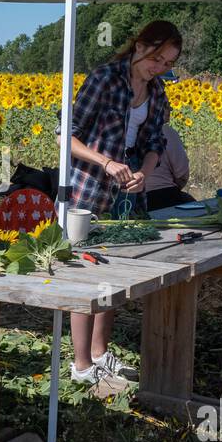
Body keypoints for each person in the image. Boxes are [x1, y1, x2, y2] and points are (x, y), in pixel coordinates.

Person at [65, 20, 180, 391]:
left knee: (112, 275)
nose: (159, 67)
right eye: (156, 57)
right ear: (140, 45)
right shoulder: (104, 78)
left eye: (167, 63)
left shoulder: (158, 92)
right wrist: (106, 162)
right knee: (83, 274)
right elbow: (66, 135)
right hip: (87, 189)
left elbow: (155, 144)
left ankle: (100, 353)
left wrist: (144, 173)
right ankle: (81, 365)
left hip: (128, 195)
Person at [143, 123, 195, 214]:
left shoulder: (117, 129)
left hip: (126, 202)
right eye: (166, 107)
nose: (170, 109)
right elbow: (182, 175)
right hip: (163, 197)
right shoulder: (165, 131)